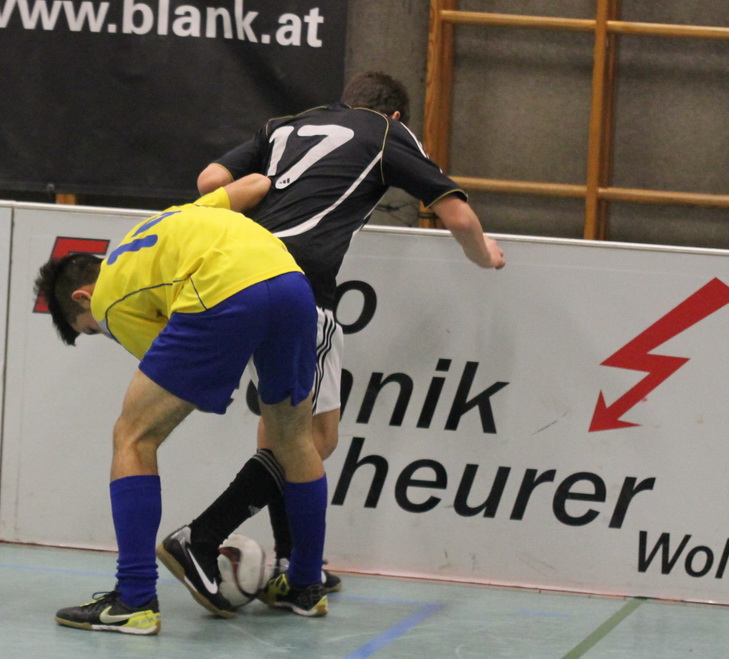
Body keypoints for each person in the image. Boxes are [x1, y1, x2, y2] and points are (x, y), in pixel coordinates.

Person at [158, 71, 506, 612]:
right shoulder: (385, 132)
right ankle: (203, 537)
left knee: (282, 429)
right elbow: (456, 213)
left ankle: (293, 568)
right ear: (395, 115)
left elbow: (209, 181)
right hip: (296, 287)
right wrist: (484, 255)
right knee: (315, 439)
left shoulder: (284, 125)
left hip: (235, 276)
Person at [35, 174, 330, 636]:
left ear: (83, 296)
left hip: (224, 288)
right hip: (291, 281)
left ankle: (134, 600)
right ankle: (305, 585)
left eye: (91, 328)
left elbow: (181, 371)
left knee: (133, 436)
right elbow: (256, 184)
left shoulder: (109, 299)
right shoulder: (166, 221)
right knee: (295, 439)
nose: (104, 331)